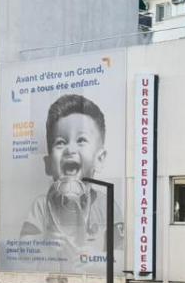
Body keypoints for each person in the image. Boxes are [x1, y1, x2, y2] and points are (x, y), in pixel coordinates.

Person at [19, 94, 121, 257]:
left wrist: (96, 259)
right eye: (60, 142)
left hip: (88, 272)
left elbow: (121, 252)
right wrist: (44, 242)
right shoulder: (42, 206)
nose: (70, 150)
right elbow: (23, 250)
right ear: (48, 164)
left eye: (81, 140)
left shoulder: (106, 205)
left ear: (99, 159)